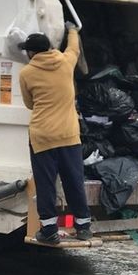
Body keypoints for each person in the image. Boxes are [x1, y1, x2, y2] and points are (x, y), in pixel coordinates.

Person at [18, 24, 92, 244]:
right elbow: (74, 49)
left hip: (42, 138)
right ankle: (84, 227)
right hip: (69, 135)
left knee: (46, 183)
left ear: (31, 53)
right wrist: (72, 31)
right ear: (49, 47)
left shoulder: (26, 73)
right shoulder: (65, 62)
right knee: (74, 181)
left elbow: (29, 104)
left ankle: (49, 231)